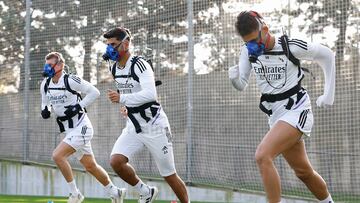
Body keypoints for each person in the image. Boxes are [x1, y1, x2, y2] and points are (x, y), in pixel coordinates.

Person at [229, 11, 336, 203]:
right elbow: (242, 84)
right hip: (275, 115)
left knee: (263, 156)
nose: (252, 46)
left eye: (255, 40)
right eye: (248, 42)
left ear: (265, 30)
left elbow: (327, 55)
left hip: (297, 109)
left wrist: (329, 93)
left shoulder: (290, 46)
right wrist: (234, 79)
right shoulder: (247, 51)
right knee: (303, 172)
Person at [102, 27, 189, 203]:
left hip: (155, 125)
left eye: (113, 44)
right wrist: (126, 105)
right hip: (134, 125)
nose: (109, 49)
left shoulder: (140, 64)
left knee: (169, 175)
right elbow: (130, 90)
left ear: (125, 43)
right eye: (107, 45)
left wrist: (122, 98)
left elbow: (151, 95)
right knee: (116, 161)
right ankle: (145, 191)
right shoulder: (114, 67)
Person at [40, 52, 126, 203]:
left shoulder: (71, 80)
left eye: (50, 64)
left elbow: (95, 92)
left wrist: (78, 106)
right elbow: (45, 101)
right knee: (90, 166)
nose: (47, 68)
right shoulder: (45, 84)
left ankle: (75, 194)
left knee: (57, 156)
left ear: (60, 65)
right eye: (46, 65)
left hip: (82, 127)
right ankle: (116, 192)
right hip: (68, 130)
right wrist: (45, 109)